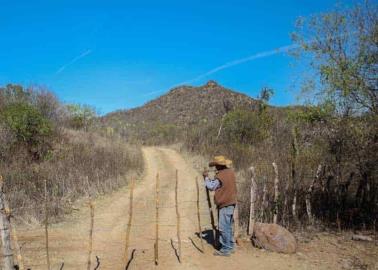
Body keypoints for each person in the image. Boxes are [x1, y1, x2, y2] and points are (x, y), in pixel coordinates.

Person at [203, 155, 237, 256]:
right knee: (228, 226)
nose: (215, 168)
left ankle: (226, 249)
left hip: (225, 203)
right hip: (231, 202)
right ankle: (230, 246)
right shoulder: (230, 172)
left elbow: (211, 186)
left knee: (223, 227)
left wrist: (206, 178)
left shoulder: (221, 175)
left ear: (219, 166)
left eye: (216, 165)